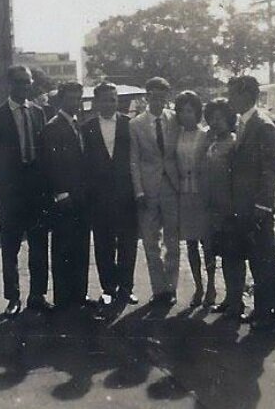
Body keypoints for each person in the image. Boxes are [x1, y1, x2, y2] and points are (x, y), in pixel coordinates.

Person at [0, 66, 52, 317]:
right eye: (21, 82)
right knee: (11, 246)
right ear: (11, 84)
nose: (25, 87)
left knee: (39, 244)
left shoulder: (38, 112)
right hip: (11, 190)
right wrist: (8, 179)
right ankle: (13, 297)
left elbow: (45, 149)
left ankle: (37, 295)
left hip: (37, 190)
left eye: (28, 82)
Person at [228, 75, 275, 331]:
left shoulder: (263, 126)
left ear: (246, 95)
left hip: (257, 207)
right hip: (243, 205)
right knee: (256, 257)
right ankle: (264, 310)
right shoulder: (242, 122)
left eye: (233, 94)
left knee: (264, 259)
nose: (229, 99)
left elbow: (270, 170)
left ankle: (270, 312)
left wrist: (262, 207)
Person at [82, 82, 139, 306]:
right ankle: (108, 288)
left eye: (113, 99)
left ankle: (126, 287)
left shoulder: (129, 124)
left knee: (128, 243)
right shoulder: (86, 128)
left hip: (126, 195)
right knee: (104, 244)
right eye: (105, 99)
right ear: (96, 102)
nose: (109, 103)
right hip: (99, 197)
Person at [130, 76, 181, 306]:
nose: (158, 101)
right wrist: (138, 191)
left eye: (162, 96)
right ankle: (158, 289)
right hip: (148, 190)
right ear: (147, 96)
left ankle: (171, 288)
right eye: (154, 96)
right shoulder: (136, 124)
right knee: (151, 241)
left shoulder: (176, 120)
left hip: (172, 186)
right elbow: (134, 160)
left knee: (172, 241)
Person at [41, 81, 91, 311]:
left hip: (81, 198)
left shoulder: (77, 125)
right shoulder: (53, 127)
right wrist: (61, 194)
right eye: (71, 98)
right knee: (63, 248)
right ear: (61, 100)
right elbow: (51, 166)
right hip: (64, 198)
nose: (75, 103)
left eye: (78, 98)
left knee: (81, 247)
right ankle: (63, 298)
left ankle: (79, 295)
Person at [204, 98, 246, 320]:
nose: (215, 122)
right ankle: (230, 298)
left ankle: (237, 301)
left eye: (220, 118)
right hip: (214, 209)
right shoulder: (213, 142)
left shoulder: (234, 143)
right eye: (212, 118)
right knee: (223, 256)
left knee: (234, 256)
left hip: (231, 208)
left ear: (229, 119)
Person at [174, 90, 215, 308]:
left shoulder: (206, 135)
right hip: (184, 194)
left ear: (197, 112)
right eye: (181, 111)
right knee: (190, 244)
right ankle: (198, 286)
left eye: (189, 111)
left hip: (201, 195)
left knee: (206, 243)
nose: (185, 115)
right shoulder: (177, 135)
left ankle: (211, 287)